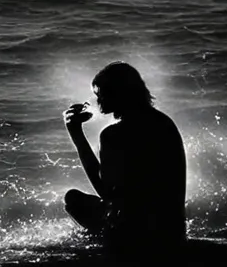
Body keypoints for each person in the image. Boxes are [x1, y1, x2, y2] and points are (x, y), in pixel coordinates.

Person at [63, 61, 186, 254]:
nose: (98, 101)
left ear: (117, 94)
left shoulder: (114, 134)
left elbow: (106, 191)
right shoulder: (164, 123)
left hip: (135, 238)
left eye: (100, 95)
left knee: (73, 200)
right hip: (172, 232)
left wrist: (76, 134)